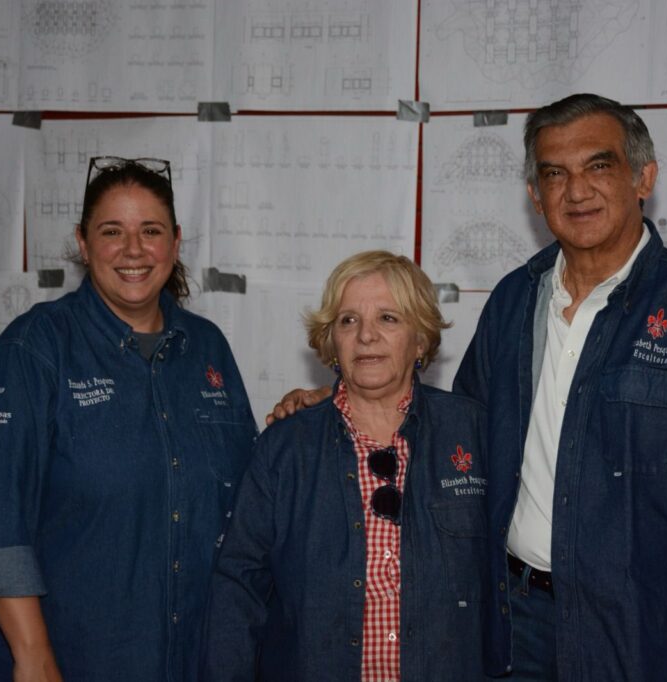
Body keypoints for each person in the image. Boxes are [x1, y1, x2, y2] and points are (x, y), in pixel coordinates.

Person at [269, 94, 667, 681]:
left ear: (644, 178)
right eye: (555, 174)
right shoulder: (514, 300)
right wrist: (344, 403)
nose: (576, 191)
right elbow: (453, 430)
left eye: (598, 166)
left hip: (641, 635)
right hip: (516, 624)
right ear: (535, 195)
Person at [0, 157, 257, 681]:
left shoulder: (208, 348)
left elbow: (249, 496)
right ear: (83, 242)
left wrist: (307, 421)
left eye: (151, 231)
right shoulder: (32, 350)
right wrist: (33, 656)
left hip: (194, 657)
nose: (133, 249)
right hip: (75, 657)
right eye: (112, 231)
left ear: (175, 243)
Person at [202, 251, 489, 682]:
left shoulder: (473, 431)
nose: (366, 335)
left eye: (388, 318)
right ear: (331, 342)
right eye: (349, 320)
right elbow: (237, 591)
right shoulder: (284, 449)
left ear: (420, 340)